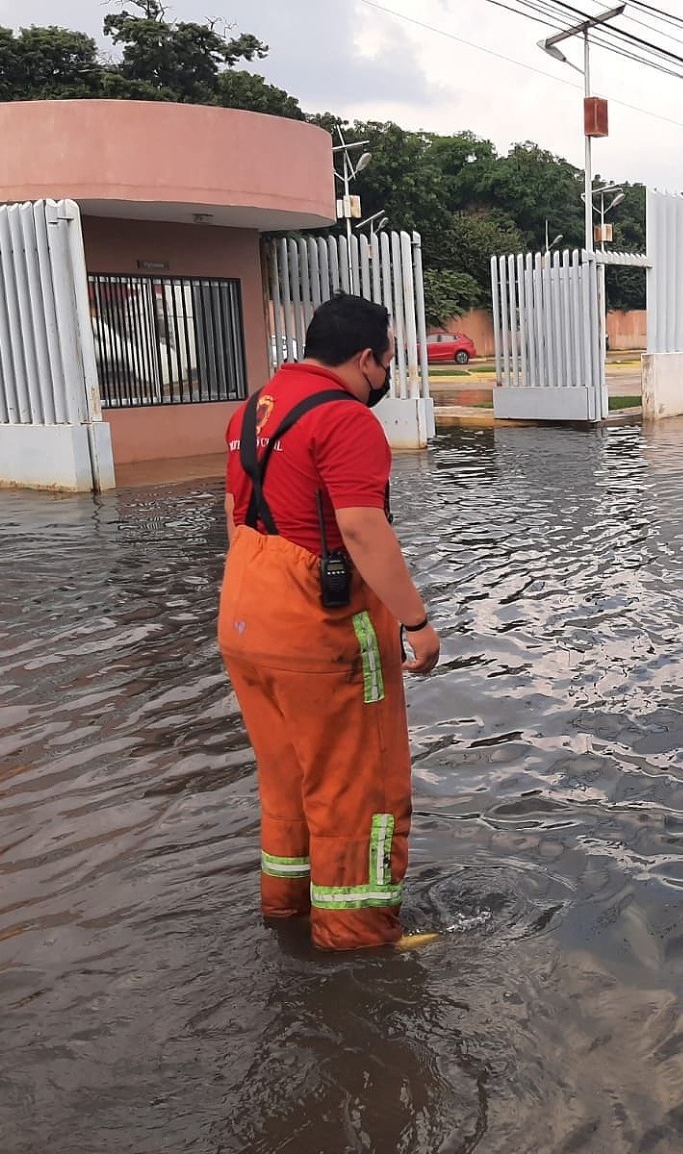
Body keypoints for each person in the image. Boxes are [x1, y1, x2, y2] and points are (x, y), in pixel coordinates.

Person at [219, 293, 441, 951]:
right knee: (358, 786)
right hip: (318, 623)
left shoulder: (252, 411)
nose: (387, 376)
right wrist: (417, 622)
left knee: (287, 780)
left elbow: (239, 515)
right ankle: (358, 939)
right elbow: (360, 527)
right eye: (388, 361)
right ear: (366, 356)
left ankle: (285, 909)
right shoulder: (345, 421)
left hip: (246, 617)